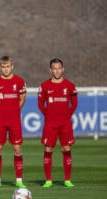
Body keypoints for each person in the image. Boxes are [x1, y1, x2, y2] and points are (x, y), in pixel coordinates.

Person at [38, 58, 77, 188]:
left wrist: (68, 115)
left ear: (63, 69)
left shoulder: (70, 85)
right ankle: (48, 180)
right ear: (50, 70)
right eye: (54, 68)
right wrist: (47, 115)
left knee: (66, 148)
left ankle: (67, 180)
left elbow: (74, 102)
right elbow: (40, 103)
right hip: (50, 123)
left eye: (59, 68)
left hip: (65, 123)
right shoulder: (44, 86)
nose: (57, 71)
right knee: (48, 149)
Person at [0, 56, 27, 188]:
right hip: (0, 120)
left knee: (17, 148)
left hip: (14, 120)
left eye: (8, 66)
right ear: (0, 67)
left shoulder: (20, 81)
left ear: (12, 67)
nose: (6, 69)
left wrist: (15, 111)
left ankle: (19, 180)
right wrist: (0, 111)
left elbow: (22, 99)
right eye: (3, 67)